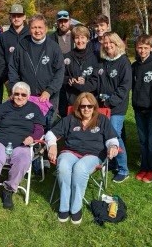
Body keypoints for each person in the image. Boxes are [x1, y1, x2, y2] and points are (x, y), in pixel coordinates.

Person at [45, 92, 119, 224]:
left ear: (94, 107)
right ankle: (64, 207)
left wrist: (113, 146)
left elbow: (112, 138)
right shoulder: (70, 119)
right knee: (62, 167)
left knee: (80, 168)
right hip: (70, 151)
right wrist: (52, 145)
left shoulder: (102, 120)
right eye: (83, 106)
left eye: (90, 106)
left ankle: (76, 208)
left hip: (93, 155)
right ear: (78, 107)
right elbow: (51, 134)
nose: (86, 109)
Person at [0, 81, 45, 210]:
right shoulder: (4, 107)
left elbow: (40, 128)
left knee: (23, 159)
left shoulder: (34, 109)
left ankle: (8, 190)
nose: (19, 97)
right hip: (1, 142)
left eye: (23, 95)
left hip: (22, 144)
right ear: (12, 95)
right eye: (17, 94)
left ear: (28, 96)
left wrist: (32, 138)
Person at [7, 14, 65, 125]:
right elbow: (13, 68)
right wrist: (16, 88)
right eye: (34, 27)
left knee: (48, 125)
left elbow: (60, 72)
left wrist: (49, 91)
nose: (37, 31)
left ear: (46, 29)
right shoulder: (21, 46)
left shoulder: (54, 47)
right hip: (27, 96)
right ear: (29, 29)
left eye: (40, 27)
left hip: (49, 96)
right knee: (28, 126)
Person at [97, 32, 131, 183]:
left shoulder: (124, 62)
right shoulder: (103, 61)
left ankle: (124, 169)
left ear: (118, 44)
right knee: (104, 134)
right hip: (102, 105)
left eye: (111, 42)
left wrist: (110, 101)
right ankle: (112, 162)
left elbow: (124, 87)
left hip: (116, 107)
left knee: (114, 135)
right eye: (105, 43)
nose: (108, 45)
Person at [132, 35, 152, 183]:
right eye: (140, 47)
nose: (142, 50)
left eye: (145, 48)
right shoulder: (135, 66)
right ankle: (144, 167)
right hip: (139, 109)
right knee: (143, 140)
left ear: (151, 48)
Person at [61, 25, 99, 117]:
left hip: (88, 101)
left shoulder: (94, 58)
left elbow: (96, 80)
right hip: (71, 100)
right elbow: (61, 76)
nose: (80, 41)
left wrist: (84, 83)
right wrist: (70, 80)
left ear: (87, 39)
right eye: (77, 38)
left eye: (83, 37)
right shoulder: (67, 57)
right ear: (73, 39)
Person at [0, 4, 30, 88]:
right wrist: (6, 80)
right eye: (14, 16)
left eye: (19, 15)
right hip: (11, 80)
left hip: (29, 80)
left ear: (24, 17)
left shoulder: (31, 34)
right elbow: (0, 60)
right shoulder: (4, 36)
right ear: (10, 17)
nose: (16, 18)